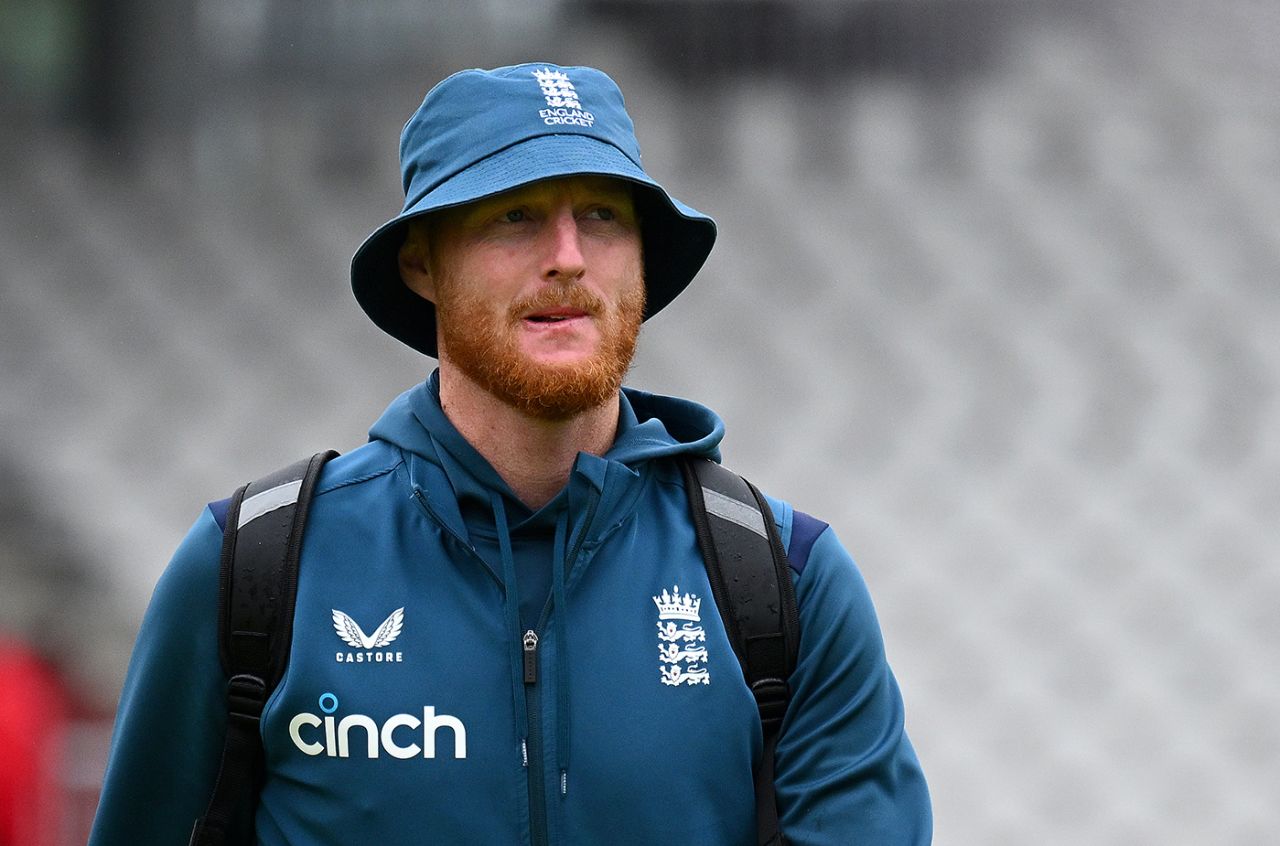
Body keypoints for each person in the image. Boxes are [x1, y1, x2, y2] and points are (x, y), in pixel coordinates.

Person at [89, 63, 931, 845]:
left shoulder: (787, 582)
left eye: (602, 213)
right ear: (422, 261)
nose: (566, 257)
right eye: (514, 213)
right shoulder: (253, 570)